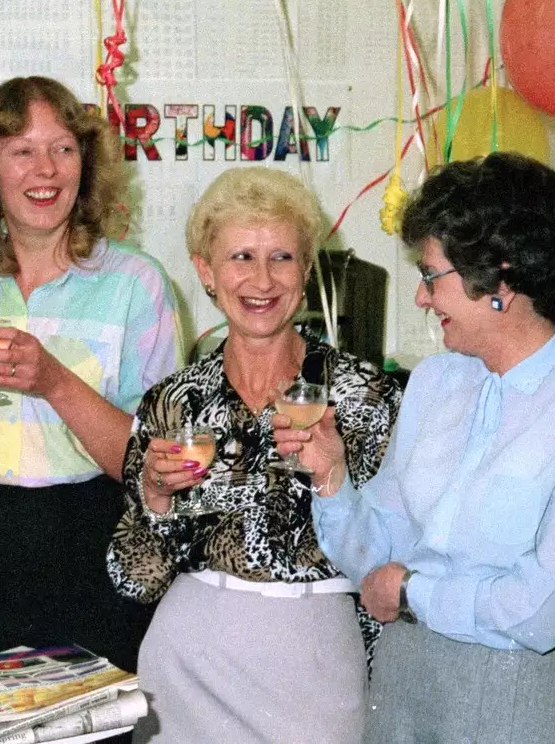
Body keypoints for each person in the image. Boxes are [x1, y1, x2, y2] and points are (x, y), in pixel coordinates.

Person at [284, 152, 555, 744]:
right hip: (406, 683)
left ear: (498, 277)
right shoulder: (435, 382)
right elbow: (378, 552)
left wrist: (412, 591)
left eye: (432, 276)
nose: (422, 299)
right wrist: (332, 478)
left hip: (523, 694)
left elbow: (548, 607)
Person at [107, 166, 401, 744]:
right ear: (205, 271)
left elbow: (395, 560)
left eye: (282, 258)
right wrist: (156, 499)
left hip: (315, 667)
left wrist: (335, 474)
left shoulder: (365, 396)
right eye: (241, 256)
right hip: (186, 664)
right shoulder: (175, 401)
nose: (262, 280)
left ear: (307, 267)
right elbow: (132, 580)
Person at [0, 76, 181, 682]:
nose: (46, 169)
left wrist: (54, 382)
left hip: (88, 534)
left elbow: (155, 463)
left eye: (63, 148)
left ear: (87, 165)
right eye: (21, 150)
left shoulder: (136, 283)